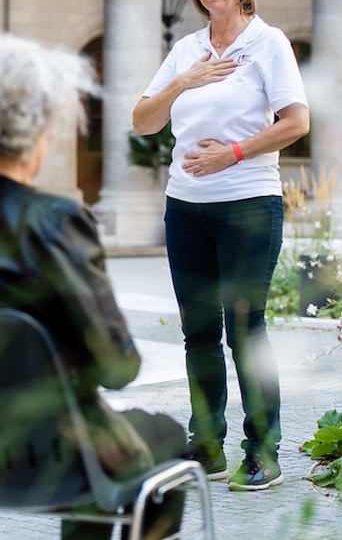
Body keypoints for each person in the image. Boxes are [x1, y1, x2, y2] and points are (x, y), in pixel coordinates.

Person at [133, 0, 310, 492]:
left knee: (245, 329)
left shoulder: (268, 44)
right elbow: (142, 120)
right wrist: (182, 82)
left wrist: (231, 153)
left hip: (249, 206)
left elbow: (296, 121)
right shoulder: (186, 50)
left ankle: (263, 450)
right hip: (186, 209)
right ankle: (206, 446)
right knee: (199, 331)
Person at [0, 34, 186, 539]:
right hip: (43, 457)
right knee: (165, 435)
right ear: (37, 131)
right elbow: (118, 366)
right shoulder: (56, 221)